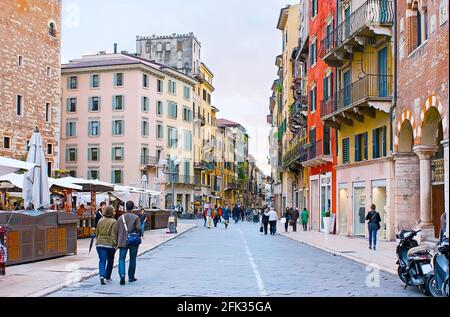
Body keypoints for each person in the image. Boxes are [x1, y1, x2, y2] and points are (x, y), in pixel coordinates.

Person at [116, 201, 142, 285]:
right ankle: (131, 277)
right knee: (133, 258)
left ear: (125, 207)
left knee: (121, 259)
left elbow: (117, 230)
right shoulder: (136, 217)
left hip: (122, 240)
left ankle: (122, 275)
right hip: (133, 240)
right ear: (133, 207)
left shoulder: (120, 218)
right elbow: (139, 228)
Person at [95, 206, 117, 285]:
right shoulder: (114, 221)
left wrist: (98, 239)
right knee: (110, 260)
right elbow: (113, 234)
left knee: (102, 260)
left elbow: (97, 232)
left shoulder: (100, 220)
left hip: (100, 243)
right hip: (109, 243)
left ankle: (102, 275)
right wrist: (115, 244)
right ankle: (107, 277)